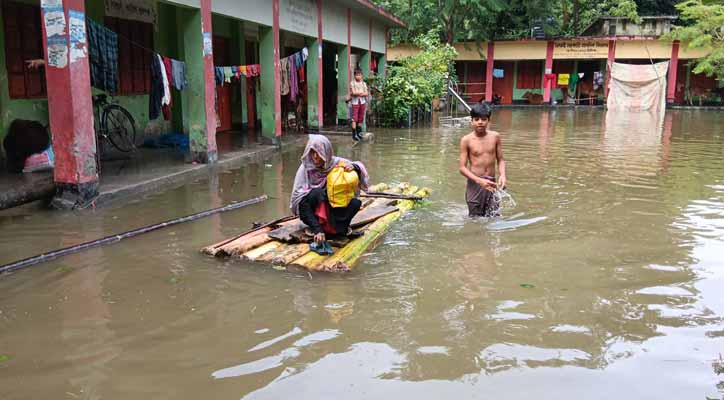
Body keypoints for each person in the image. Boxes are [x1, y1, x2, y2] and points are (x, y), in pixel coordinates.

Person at [290, 135, 369, 245]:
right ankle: (318, 229)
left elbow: (359, 166)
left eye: (319, 153)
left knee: (355, 203)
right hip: (314, 212)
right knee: (317, 193)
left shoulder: (336, 163)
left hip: (334, 212)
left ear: (327, 152)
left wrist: (354, 167)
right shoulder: (305, 169)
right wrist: (317, 229)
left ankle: (337, 230)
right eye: (312, 153)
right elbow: (300, 202)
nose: (315, 157)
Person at [459, 102, 507, 217]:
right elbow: (462, 168)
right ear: (472, 121)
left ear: (488, 121)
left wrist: (503, 175)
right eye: (476, 119)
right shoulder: (466, 140)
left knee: (494, 216)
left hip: (491, 182)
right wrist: (480, 181)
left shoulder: (495, 137)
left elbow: (500, 160)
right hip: (475, 184)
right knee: (475, 219)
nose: (480, 122)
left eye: (483, 119)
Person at [349, 68, 369, 142]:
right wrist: (361, 93)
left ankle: (359, 133)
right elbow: (353, 93)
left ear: (362, 76)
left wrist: (359, 93)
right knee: (354, 118)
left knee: (361, 118)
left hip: (362, 102)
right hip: (355, 103)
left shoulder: (364, 83)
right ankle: (354, 135)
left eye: (359, 75)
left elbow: (366, 93)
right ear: (354, 76)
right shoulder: (352, 83)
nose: (358, 76)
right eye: (357, 75)